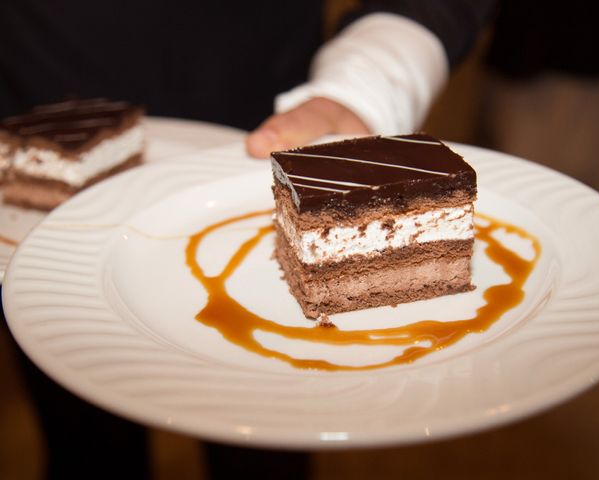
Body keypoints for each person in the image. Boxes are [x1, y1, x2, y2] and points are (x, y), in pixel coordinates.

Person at [0, 1, 497, 478]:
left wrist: (363, 87)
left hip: (263, 111)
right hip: (34, 103)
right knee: (85, 446)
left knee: (266, 451)